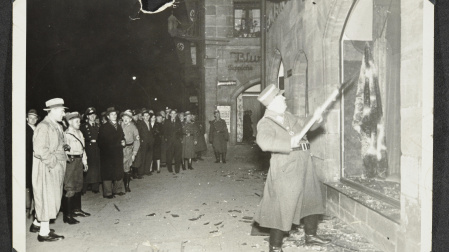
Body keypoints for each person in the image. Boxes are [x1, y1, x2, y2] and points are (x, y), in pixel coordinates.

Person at [254, 84, 331, 252]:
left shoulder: (288, 116)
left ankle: (311, 236)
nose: (284, 98)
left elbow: (308, 124)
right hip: (286, 167)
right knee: (283, 207)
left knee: (312, 198)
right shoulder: (265, 123)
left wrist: (317, 118)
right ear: (273, 102)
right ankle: (275, 247)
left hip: (304, 163)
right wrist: (289, 142)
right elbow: (264, 142)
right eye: (280, 97)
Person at [30, 98, 67, 241]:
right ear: (52, 111)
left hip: (54, 167)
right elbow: (39, 149)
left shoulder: (55, 125)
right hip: (47, 167)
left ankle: (37, 224)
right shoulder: (44, 126)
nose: (63, 114)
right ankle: (43, 233)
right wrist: (54, 163)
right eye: (62, 111)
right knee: (46, 197)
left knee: (51, 197)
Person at [63, 112, 90, 225]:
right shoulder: (66, 134)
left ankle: (77, 210)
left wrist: (85, 161)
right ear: (69, 122)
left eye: (79, 121)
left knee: (78, 185)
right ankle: (68, 215)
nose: (79, 123)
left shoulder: (79, 132)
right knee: (70, 187)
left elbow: (83, 149)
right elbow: (63, 150)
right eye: (76, 121)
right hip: (71, 161)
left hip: (79, 160)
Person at [98, 107, 126, 199]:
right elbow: (101, 142)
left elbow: (122, 136)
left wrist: (123, 141)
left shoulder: (119, 126)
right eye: (112, 114)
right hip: (108, 154)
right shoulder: (104, 127)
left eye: (115, 114)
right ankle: (108, 193)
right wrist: (115, 144)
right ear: (108, 116)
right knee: (108, 173)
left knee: (118, 170)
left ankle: (117, 190)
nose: (114, 116)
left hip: (118, 152)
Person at [80, 107, 101, 194]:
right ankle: (83, 188)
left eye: (93, 115)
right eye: (90, 115)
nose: (92, 116)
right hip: (88, 148)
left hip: (97, 148)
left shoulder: (98, 125)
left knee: (96, 167)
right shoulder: (83, 126)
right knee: (87, 167)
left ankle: (95, 187)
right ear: (87, 117)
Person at [120, 110, 140, 192]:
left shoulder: (133, 128)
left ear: (131, 119)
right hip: (119, 149)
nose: (125, 119)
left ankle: (127, 186)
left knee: (127, 167)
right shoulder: (119, 125)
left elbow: (137, 140)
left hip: (128, 149)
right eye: (124, 117)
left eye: (128, 118)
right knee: (119, 166)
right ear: (122, 118)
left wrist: (134, 153)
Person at [26, 109, 39, 214]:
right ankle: (28, 206)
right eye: (31, 117)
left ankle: (35, 207)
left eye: (35, 118)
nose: (33, 119)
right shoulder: (25, 130)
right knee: (29, 183)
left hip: (37, 159)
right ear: (27, 119)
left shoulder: (38, 128)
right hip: (29, 159)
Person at [164, 109, 183, 174]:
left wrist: (180, 138)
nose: (173, 115)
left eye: (174, 113)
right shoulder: (167, 122)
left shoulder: (178, 121)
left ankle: (177, 169)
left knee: (178, 155)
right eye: (172, 113)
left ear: (176, 114)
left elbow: (181, 131)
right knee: (169, 156)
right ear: (170, 114)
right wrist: (166, 139)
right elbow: (165, 131)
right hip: (170, 141)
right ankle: (170, 168)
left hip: (177, 141)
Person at [139, 110, 155, 176]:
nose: (146, 117)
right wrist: (141, 141)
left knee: (149, 157)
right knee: (143, 157)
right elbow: (139, 133)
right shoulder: (140, 123)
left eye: (148, 116)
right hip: (144, 142)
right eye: (145, 116)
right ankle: (141, 172)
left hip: (150, 143)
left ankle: (147, 171)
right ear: (142, 117)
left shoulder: (149, 123)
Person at [130, 110, 144, 179]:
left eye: (136, 116)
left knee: (138, 158)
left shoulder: (138, 122)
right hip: (133, 142)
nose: (135, 117)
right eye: (134, 116)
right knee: (134, 158)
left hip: (138, 141)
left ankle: (136, 173)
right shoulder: (132, 123)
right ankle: (134, 173)